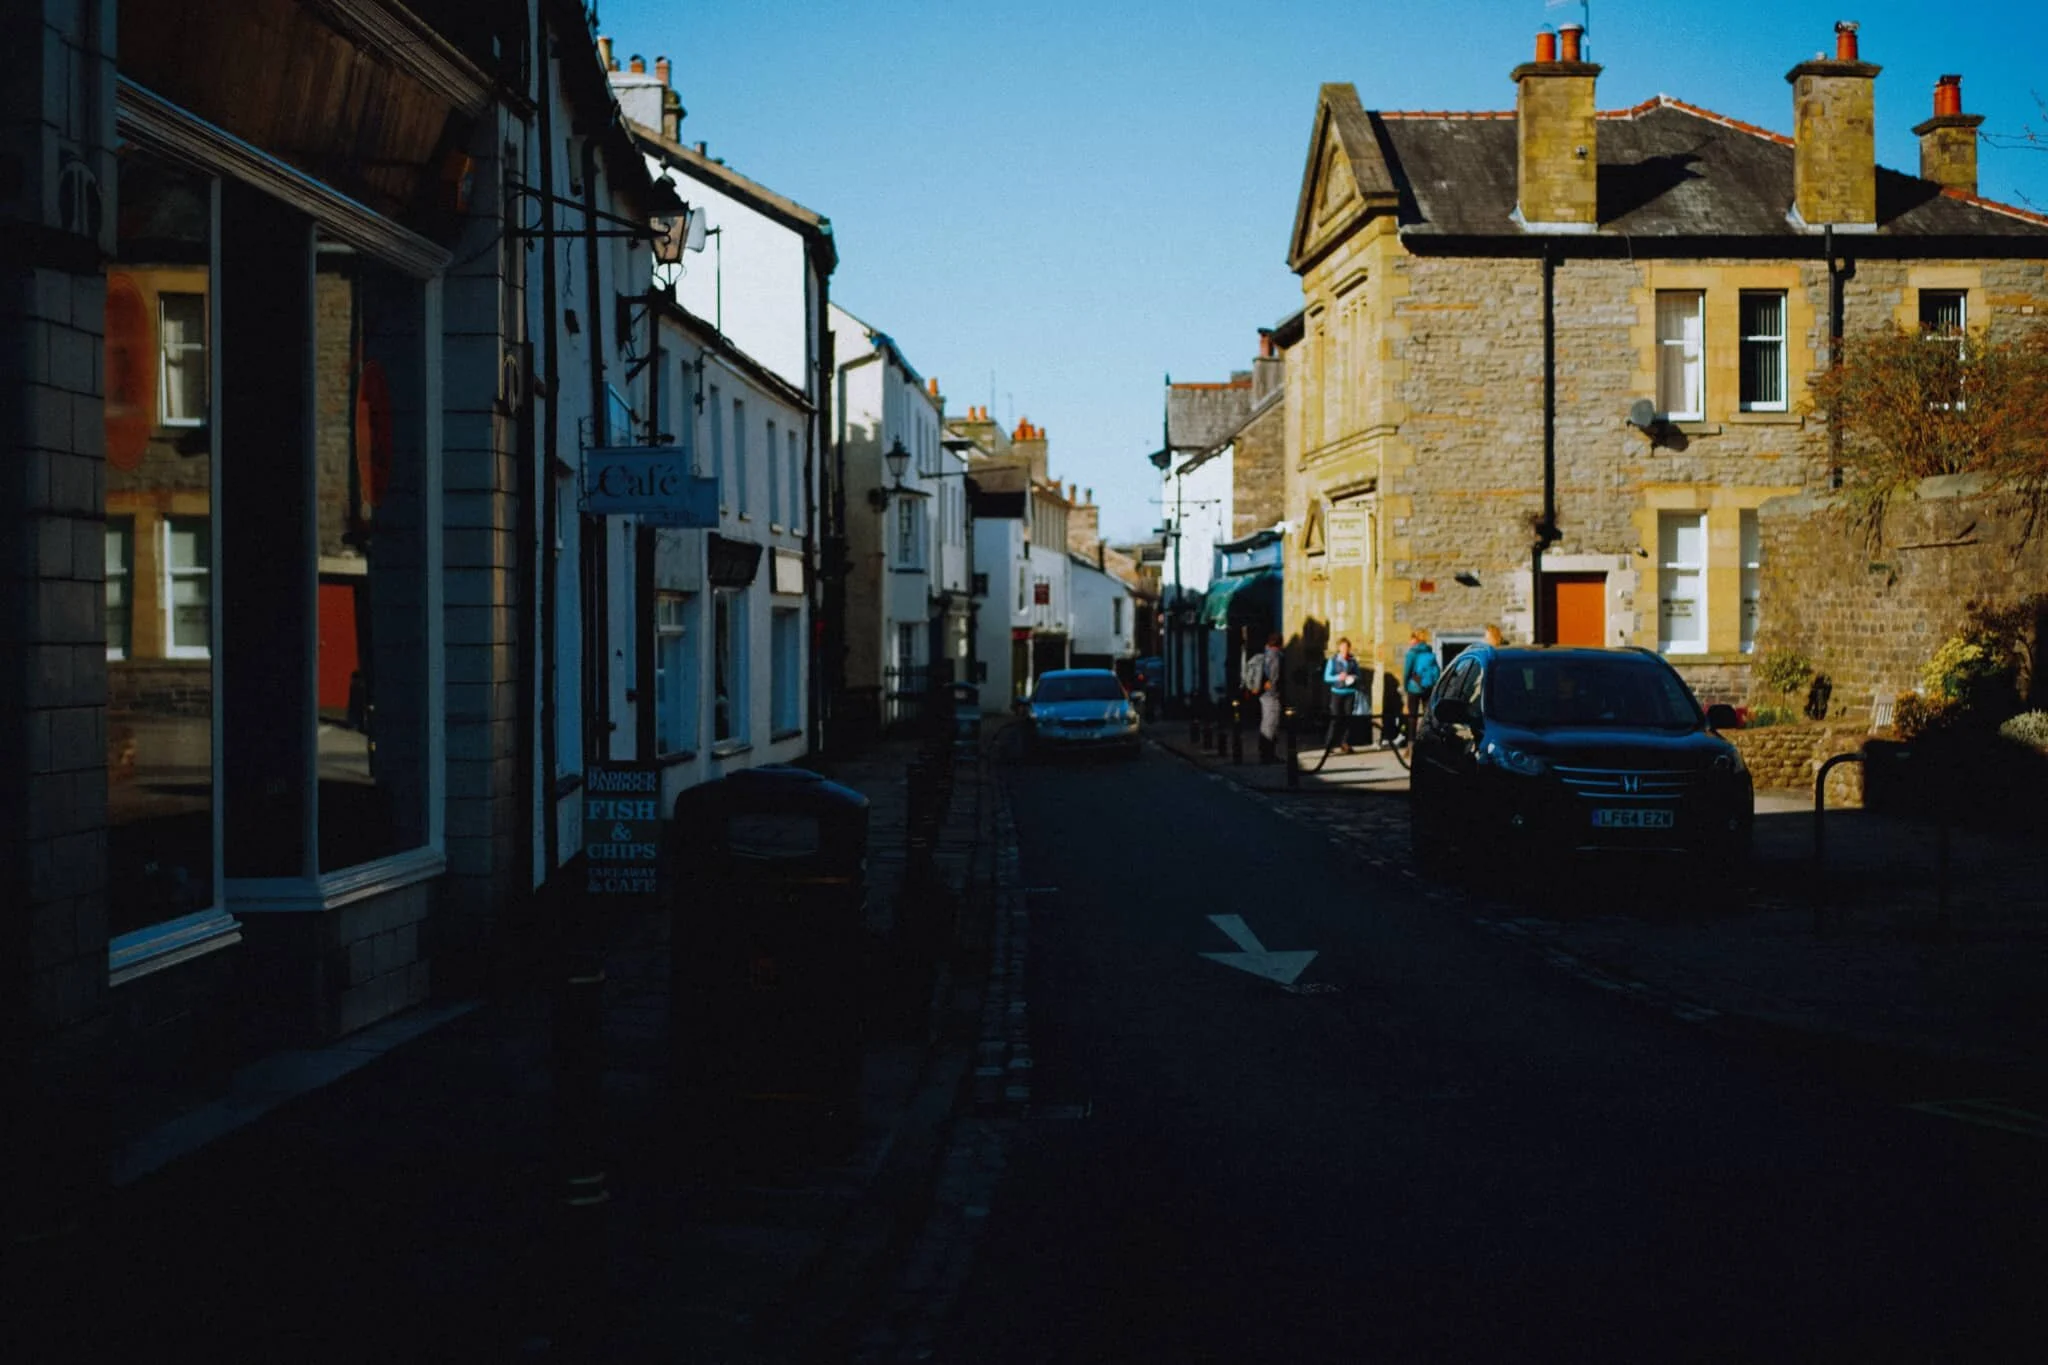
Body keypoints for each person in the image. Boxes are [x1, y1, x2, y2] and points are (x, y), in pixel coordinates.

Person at [1396, 627, 1440, 746]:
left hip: (1414, 688)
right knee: (1427, 715)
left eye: (1411, 638)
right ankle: (1427, 740)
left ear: (1415, 639)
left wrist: (1405, 686)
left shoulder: (1412, 653)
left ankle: (1411, 742)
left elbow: (1407, 672)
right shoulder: (1429, 651)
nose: (1410, 641)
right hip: (1428, 687)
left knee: (1412, 717)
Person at [1322, 637, 1364, 754]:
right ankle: (1329, 744)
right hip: (1337, 692)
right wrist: (1338, 677)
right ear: (1339, 648)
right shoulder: (1333, 660)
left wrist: (1354, 677)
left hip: (1349, 692)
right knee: (1335, 718)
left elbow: (1359, 675)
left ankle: (1345, 743)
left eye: (1347, 647)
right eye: (1343, 647)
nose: (1345, 649)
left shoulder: (1353, 661)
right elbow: (1326, 677)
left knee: (1348, 718)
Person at [1254, 632, 1285, 762]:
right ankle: (1268, 754)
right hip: (1271, 694)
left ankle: (1264, 751)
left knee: (1265, 722)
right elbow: (1274, 676)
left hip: (1263, 694)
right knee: (1271, 723)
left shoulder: (1265, 653)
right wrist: (1276, 690)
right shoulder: (1275, 655)